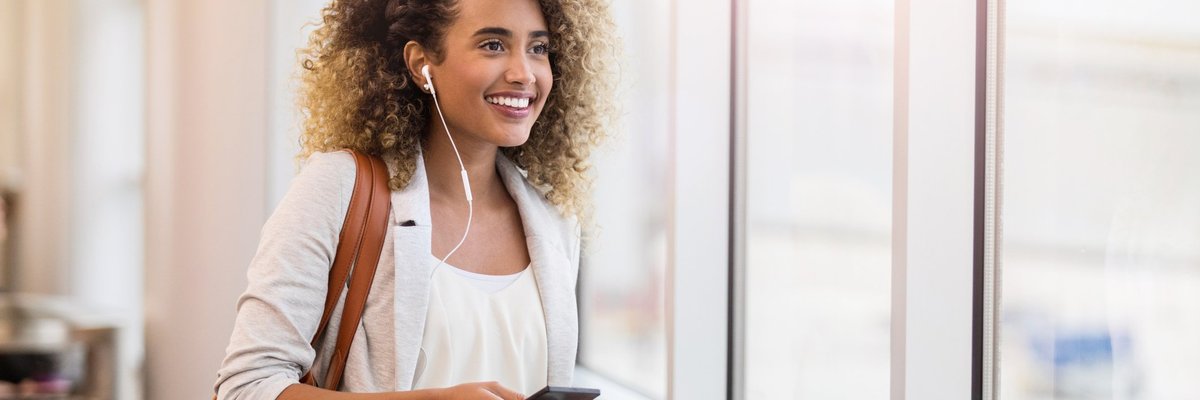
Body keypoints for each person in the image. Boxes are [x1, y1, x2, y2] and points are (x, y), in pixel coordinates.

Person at [213, 0, 617, 399]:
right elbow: (247, 386)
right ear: (421, 64)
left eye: (538, 48)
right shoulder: (338, 188)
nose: (523, 73)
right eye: (493, 44)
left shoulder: (554, 221)